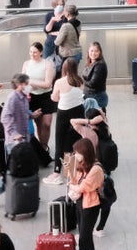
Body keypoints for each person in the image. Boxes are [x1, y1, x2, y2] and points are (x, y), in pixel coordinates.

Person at [0, 73, 38, 206]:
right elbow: (5, 118)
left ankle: (29, 192)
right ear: (19, 85)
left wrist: (32, 115)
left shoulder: (23, 98)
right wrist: (15, 134)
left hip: (24, 140)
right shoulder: (12, 98)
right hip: (14, 142)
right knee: (14, 170)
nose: (28, 86)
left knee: (27, 167)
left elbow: (23, 112)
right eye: (26, 84)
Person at [44, 58, 85, 186]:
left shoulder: (60, 82)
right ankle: (71, 173)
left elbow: (55, 98)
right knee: (73, 142)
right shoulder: (80, 81)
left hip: (64, 113)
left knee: (60, 142)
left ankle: (57, 173)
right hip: (78, 112)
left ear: (64, 68)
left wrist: (53, 95)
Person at [68, 138, 105, 250]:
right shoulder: (83, 164)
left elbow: (82, 187)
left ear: (85, 153)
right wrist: (71, 165)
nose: (76, 155)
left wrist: (71, 186)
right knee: (83, 234)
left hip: (90, 206)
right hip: (80, 202)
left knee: (84, 237)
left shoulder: (96, 169)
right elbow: (72, 179)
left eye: (78, 153)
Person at [23, 41, 56, 151]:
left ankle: (44, 146)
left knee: (46, 124)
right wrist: (31, 86)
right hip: (32, 97)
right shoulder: (26, 64)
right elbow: (22, 82)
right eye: (31, 52)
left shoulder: (47, 64)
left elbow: (48, 84)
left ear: (41, 52)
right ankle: (42, 148)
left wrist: (31, 82)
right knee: (38, 123)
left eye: (35, 52)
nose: (32, 54)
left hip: (46, 97)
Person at [82, 42, 109, 111]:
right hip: (90, 96)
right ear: (88, 51)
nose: (93, 53)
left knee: (98, 120)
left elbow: (93, 83)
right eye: (91, 51)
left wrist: (82, 82)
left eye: (96, 51)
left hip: (97, 97)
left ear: (100, 52)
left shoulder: (100, 65)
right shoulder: (90, 62)